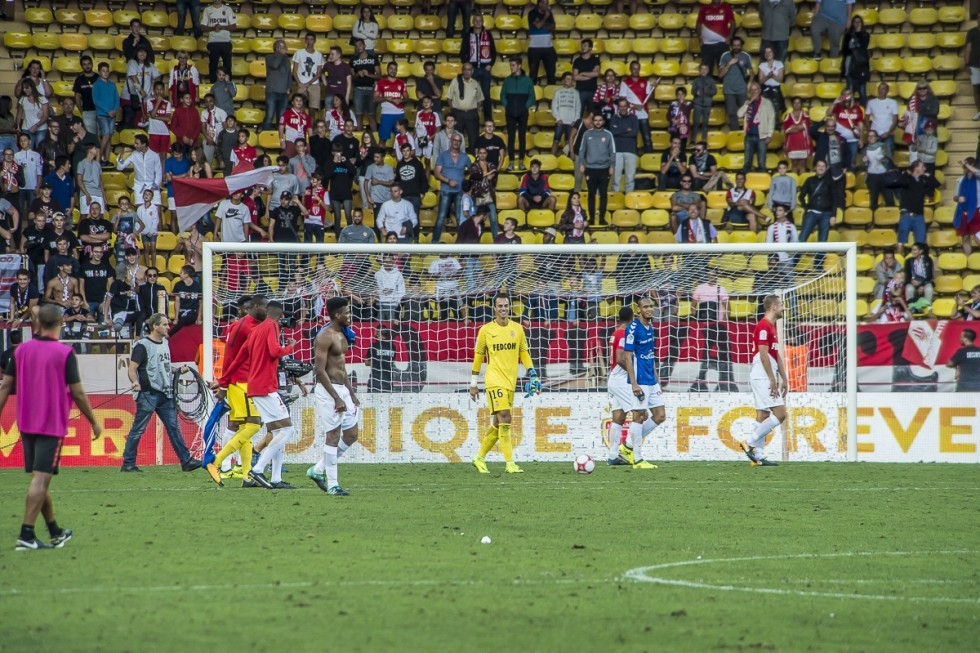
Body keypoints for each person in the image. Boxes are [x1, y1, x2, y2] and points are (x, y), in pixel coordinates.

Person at [0, 304, 102, 550]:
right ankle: (26, 534)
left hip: (25, 421)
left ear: (37, 324)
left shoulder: (21, 351)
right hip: (51, 423)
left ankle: (55, 531)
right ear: (60, 323)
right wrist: (93, 421)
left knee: (39, 477)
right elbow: (77, 391)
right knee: (41, 478)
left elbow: (5, 386)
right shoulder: (64, 353)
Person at [216, 297, 298, 490]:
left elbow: (237, 360)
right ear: (278, 315)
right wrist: (290, 347)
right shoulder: (271, 325)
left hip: (253, 386)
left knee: (276, 431)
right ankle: (258, 468)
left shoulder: (254, 331)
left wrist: (223, 382)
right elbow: (274, 350)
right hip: (266, 387)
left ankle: (276, 478)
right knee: (288, 430)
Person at [122, 312, 202, 472]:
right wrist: (135, 382)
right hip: (148, 394)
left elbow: (164, 367)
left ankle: (186, 461)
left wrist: (177, 370)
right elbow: (132, 368)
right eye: (164, 324)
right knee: (139, 429)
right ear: (155, 326)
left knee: (174, 427)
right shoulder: (143, 345)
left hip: (165, 394)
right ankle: (128, 463)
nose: (168, 327)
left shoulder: (165, 342)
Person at [470, 293, 540, 474]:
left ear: (510, 307)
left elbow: (524, 352)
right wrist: (473, 383)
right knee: (506, 416)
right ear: (494, 308)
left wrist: (533, 374)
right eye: (500, 306)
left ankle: (479, 458)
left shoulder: (517, 329)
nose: (503, 309)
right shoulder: (485, 330)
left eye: (506, 306)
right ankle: (510, 463)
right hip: (493, 380)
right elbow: (478, 357)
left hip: (510, 381)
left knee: (497, 423)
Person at [204, 296, 263, 486]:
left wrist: (223, 383)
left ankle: (247, 476)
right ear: (251, 308)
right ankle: (216, 462)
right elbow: (234, 358)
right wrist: (224, 384)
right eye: (264, 307)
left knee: (244, 427)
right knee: (254, 425)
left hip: (239, 381)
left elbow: (231, 357)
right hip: (243, 381)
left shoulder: (237, 326)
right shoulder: (248, 327)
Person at [306, 297, 360, 496]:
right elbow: (320, 370)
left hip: (342, 389)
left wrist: (351, 393)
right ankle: (333, 485)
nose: (349, 315)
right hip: (328, 392)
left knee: (352, 434)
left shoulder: (343, 334)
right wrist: (336, 397)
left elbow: (341, 368)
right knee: (333, 435)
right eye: (346, 312)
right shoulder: (324, 336)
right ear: (337, 315)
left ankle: (318, 469)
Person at [736, 295, 787, 466]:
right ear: (773, 307)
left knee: (763, 415)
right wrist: (772, 379)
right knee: (780, 414)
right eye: (781, 305)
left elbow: (775, 354)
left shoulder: (771, 326)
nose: (783, 308)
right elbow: (763, 355)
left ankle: (757, 455)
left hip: (765, 375)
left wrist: (784, 377)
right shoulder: (763, 326)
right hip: (762, 376)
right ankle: (749, 441)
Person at [615, 296, 664, 470]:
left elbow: (650, 355)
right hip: (640, 380)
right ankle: (637, 459)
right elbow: (627, 357)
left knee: (660, 415)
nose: (649, 309)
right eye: (645, 307)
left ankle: (627, 446)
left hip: (651, 379)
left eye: (651, 306)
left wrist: (657, 380)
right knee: (639, 416)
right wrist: (634, 383)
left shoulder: (651, 327)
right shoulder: (633, 329)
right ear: (639, 310)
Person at [605, 305, 634, 466]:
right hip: (621, 380)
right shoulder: (624, 333)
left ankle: (612, 456)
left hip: (614, 379)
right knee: (640, 412)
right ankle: (627, 446)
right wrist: (633, 374)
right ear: (632, 318)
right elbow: (620, 358)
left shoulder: (615, 333)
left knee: (618, 418)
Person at [896, 161, 941, 256]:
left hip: (919, 215)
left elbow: (936, 184)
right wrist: (907, 173)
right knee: (901, 239)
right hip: (906, 214)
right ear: (916, 168)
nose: (924, 168)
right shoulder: (906, 178)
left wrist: (928, 175)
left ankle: (919, 261)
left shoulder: (923, 180)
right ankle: (900, 259)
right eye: (922, 166)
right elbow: (900, 182)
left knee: (921, 240)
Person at [578, 113, 615, 226]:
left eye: (600, 120)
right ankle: (592, 219)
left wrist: (612, 166)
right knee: (591, 195)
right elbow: (581, 150)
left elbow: (612, 151)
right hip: (590, 169)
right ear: (593, 122)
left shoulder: (608, 134)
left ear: (603, 122)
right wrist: (581, 164)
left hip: (604, 169)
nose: (598, 122)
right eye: (596, 120)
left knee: (603, 194)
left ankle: (602, 218)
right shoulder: (587, 134)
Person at [500, 57, 534, 170]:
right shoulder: (507, 80)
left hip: (523, 112)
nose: (511, 67)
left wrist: (525, 107)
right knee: (511, 137)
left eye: (513, 65)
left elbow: (532, 96)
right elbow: (502, 95)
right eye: (511, 65)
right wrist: (507, 105)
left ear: (519, 66)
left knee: (522, 137)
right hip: (510, 112)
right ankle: (510, 162)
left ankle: (521, 162)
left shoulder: (528, 80)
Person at [461, 14, 496, 123]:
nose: (477, 22)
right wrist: (467, 65)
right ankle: (472, 119)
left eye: (479, 21)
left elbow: (493, 51)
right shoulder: (468, 35)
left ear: (482, 22)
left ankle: (488, 119)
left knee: (486, 95)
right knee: (471, 95)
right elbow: (462, 52)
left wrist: (491, 64)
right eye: (475, 20)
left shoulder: (488, 34)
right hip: (473, 69)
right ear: (472, 22)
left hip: (485, 68)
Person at [737, 82, 776, 173]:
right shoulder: (748, 103)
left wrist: (769, 135)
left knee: (762, 162)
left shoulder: (767, 102)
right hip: (749, 135)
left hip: (762, 136)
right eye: (752, 90)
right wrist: (749, 102)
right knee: (747, 162)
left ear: (760, 90)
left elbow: (771, 119)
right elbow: (739, 114)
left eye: (756, 90)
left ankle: (762, 181)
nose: (754, 92)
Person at [447, 63, 484, 153]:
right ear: (462, 70)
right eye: (465, 69)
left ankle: (473, 161)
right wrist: (454, 109)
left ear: (472, 71)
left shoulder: (475, 83)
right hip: (458, 114)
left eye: (469, 70)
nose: (467, 72)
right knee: (456, 139)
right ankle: (456, 159)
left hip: (472, 114)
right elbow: (449, 98)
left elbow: (480, 100)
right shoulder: (455, 81)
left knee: (473, 138)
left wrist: (474, 109)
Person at [718, 37, 753, 130]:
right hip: (729, 90)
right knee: (732, 113)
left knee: (747, 112)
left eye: (738, 45)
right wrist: (729, 64)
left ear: (741, 46)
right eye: (734, 45)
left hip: (742, 89)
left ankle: (747, 132)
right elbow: (720, 75)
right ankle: (735, 133)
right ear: (731, 46)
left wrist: (750, 82)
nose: (736, 47)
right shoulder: (725, 56)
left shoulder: (746, 56)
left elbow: (751, 71)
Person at [696, 0, 736, 74]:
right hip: (707, 45)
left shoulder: (726, 8)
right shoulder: (704, 8)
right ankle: (707, 85)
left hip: (722, 44)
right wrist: (700, 38)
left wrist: (729, 37)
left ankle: (724, 85)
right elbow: (698, 24)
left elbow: (733, 24)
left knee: (724, 69)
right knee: (706, 70)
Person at [350, 39, 381, 134]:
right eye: (356, 45)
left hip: (371, 89)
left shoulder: (373, 58)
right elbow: (351, 78)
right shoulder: (353, 60)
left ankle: (375, 138)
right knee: (359, 115)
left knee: (372, 115)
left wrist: (369, 74)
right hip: (358, 90)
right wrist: (357, 74)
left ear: (364, 45)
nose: (358, 47)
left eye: (360, 44)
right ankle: (359, 140)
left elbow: (379, 76)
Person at [609, 98, 639, 194]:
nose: (622, 108)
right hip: (617, 151)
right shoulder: (613, 118)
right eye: (620, 106)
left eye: (624, 106)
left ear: (627, 107)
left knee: (630, 178)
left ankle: (629, 198)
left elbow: (634, 133)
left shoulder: (634, 118)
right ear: (618, 107)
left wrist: (619, 130)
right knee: (615, 178)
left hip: (630, 151)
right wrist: (627, 129)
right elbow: (613, 132)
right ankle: (616, 198)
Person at [202, 0, 236, 83]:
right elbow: (203, 27)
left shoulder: (228, 9)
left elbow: (234, 26)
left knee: (227, 66)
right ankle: (213, 86)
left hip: (226, 42)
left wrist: (222, 27)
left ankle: (228, 86)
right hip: (213, 42)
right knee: (213, 66)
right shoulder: (207, 10)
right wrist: (214, 28)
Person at [840, 15, 871, 106]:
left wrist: (858, 33)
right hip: (850, 66)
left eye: (859, 22)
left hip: (861, 67)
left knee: (863, 93)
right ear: (852, 23)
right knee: (849, 91)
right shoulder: (847, 35)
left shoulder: (865, 35)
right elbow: (844, 50)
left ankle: (864, 112)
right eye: (855, 22)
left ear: (862, 23)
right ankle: (848, 111)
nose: (857, 24)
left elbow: (863, 46)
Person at [374, 62, 407, 145]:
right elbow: (374, 99)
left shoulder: (401, 83)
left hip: (399, 114)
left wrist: (401, 100)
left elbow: (407, 98)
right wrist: (385, 98)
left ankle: (400, 158)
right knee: (382, 139)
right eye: (391, 68)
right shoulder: (381, 83)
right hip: (386, 114)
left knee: (401, 140)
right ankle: (380, 157)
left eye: (395, 69)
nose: (393, 71)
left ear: (397, 71)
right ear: (387, 69)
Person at [526, 0, 558, 85]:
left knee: (551, 73)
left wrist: (542, 23)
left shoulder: (549, 13)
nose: (545, 5)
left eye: (547, 3)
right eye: (543, 3)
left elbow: (553, 28)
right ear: (539, 3)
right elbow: (537, 26)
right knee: (533, 74)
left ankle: (551, 95)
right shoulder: (532, 13)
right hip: (534, 48)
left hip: (548, 47)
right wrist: (545, 18)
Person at [865, 82, 899, 157]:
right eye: (879, 89)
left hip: (888, 134)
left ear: (887, 90)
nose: (881, 91)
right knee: (874, 156)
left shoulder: (893, 102)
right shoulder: (871, 102)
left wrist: (888, 132)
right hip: (875, 135)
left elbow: (895, 119)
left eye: (883, 89)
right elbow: (866, 118)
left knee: (888, 156)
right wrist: (869, 131)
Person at [955, 158, 980, 256]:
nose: (964, 168)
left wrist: (966, 164)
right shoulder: (960, 180)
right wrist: (958, 199)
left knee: (978, 237)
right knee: (965, 238)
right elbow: (954, 197)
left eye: (967, 166)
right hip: (963, 212)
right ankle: (968, 260)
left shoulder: (978, 180)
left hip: (976, 212)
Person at [966, 21, 980, 121]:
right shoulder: (972, 32)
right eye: (979, 18)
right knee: (976, 89)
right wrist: (967, 63)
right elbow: (968, 48)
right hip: (974, 65)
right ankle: (979, 111)